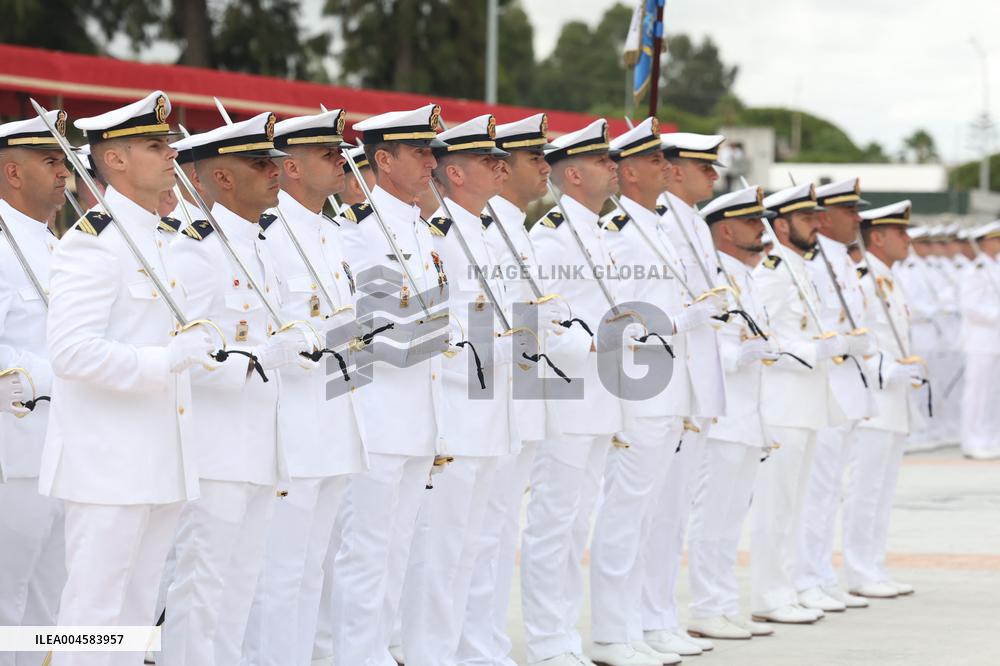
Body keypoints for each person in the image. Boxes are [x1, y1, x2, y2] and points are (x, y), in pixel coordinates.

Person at [40, 91, 216, 666]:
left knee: (138, 612)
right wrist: (165, 359)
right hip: (109, 465)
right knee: (92, 615)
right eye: (154, 145)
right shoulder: (94, 244)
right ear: (114, 160)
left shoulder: (159, 238)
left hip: (162, 459)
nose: (171, 155)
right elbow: (71, 352)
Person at [162, 112, 309, 665]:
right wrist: (252, 359)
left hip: (260, 445)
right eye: (259, 164)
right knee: (202, 585)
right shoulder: (196, 250)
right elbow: (181, 352)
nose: (275, 173)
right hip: (215, 448)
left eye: (274, 163)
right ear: (222, 179)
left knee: (240, 584)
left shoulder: (263, 244)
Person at [456, 112, 589, 666]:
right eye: (533, 158)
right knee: (476, 534)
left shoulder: (513, 229)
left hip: (520, 399)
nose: (544, 167)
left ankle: (485, 642)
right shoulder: (481, 229)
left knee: (498, 530)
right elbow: (468, 318)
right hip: (485, 399)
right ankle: (470, 645)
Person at [242, 109, 369, 666]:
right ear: (290, 167)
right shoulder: (268, 234)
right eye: (327, 154)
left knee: (311, 568)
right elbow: (266, 334)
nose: (341, 160)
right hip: (290, 429)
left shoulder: (336, 233)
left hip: (337, 423)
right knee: (279, 570)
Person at [592, 117, 721, 666]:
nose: (663, 167)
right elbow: (614, 318)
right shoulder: (618, 229)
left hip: (670, 388)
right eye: (651, 160)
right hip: (637, 387)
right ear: (625, 173)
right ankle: (611, 633)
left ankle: (647, 621)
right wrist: (680, 318)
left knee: (657, 516)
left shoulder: (659, 223)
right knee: (625, 515)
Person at [397, 114, 519, 666]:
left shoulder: (486, 229)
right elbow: (426, 328)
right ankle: (429, 654)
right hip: (454, 407)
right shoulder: (436, 234)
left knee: (477, 544)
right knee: (441, 550)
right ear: (456, 173)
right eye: (489, 161)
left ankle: (465, 650)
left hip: (491, 409)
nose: (502, 168)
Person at [330, 103, 449, 666]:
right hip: (375, 411)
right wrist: (453, 327)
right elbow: (372, 333)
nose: (432, 161)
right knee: (366, 549)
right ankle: (353, 654)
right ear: (383, 159)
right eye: (420, 151)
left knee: (396, 548)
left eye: (431, 150)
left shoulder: (417, 227)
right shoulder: (362, 232)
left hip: (418, 414)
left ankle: (375, 649)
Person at [519, 118, 624, 666]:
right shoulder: (550, 236)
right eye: (604, 162)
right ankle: (546, 640)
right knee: (553, 522)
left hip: (600, 395)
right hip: (564, 394)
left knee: (578, 520)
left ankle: (566, 635)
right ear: (575, 174)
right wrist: (587, 345)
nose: (614, 168)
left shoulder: (601, 231)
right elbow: (538, 325)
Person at [641, 133, 728, 657]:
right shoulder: (658, 222)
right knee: (655, 509)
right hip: (669, 378)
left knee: (673, 512)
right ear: (673, 170)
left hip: (697, 381)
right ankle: (647, 618)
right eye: (704, 167)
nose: (713, 177)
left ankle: (661, 614)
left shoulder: (690, 222)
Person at [685, 186, 780, 641]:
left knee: (729, 520)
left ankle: (724, 604)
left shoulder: (747, 276)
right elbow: (705, 341)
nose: (762, 232)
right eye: (752, 223)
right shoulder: (713, 274)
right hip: (721, 415)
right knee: (710, 517)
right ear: (725, 229)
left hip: (747, 416)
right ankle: (706, 607)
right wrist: (740, 354)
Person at [750, 183, 842, 625]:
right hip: (782, 402)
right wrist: (813, 350)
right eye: (808, 219)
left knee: (795, 502)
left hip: (806, 401)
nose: (817, 225)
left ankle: (785, 587)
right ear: (781, 225)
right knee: (775, 504)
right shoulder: (772, 269)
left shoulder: (800, 267)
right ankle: (769, 594)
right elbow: (764, 335)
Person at [0, 110, 70, 662]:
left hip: (67, 451)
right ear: (12, 172)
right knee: (7, 603)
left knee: (53, 611)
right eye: (50, 160)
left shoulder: (60, 246)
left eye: (65, 158)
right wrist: (66, 369)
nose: (65, 170)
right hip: (14, 455)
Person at [794, 178, 875, 613]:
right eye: (850, 211)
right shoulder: (808, 263)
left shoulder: (841, 260)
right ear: (824, 218)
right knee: (815, 488)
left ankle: (820, 573)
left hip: (847, 385)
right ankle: (804, 577)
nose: (858, 218)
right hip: (823, 382)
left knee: (829, 490)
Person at [842, 200, 925, 597]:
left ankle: (874, 566)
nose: (907, 239)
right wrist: (888, 369)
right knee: (865, 488)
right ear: (877, 237)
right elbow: (859, 338)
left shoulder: (889, 278)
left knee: (883, 489)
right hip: (874, 398)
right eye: (900, 232)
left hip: (895, 400)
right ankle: (858, 571)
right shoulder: (863, 279)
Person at [957, 220, 1000, 460]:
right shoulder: (976, 270)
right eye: (995, 239)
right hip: (980, 340)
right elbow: (970, 306)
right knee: (978, 393)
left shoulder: (995, 267)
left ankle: (991, 437)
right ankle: (972, 440)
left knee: (994, 393)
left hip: (996, 340)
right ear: (984, 242)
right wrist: (996, 314)